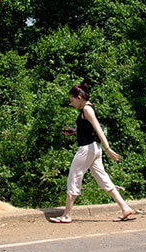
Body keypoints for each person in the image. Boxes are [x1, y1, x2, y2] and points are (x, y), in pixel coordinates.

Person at [50, 82, 134, 224]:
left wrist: (108, 149)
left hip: (86, 149)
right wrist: (74, 131)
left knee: (73, 178)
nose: (72, 104)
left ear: (79, 97)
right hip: (95, 149)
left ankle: (66, 215)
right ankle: (125, 207)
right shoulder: (89, 107)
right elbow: (89, 129)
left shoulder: (87, 110)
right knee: (103, 179)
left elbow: (98, 129)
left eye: (72, 100)